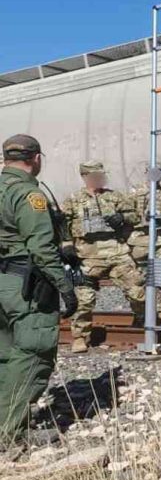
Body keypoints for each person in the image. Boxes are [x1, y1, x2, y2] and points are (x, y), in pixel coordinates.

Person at [0, 134, 78, 445]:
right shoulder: (29, 195)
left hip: (4, 282)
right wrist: (65, 285)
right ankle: (8, 432)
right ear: (36, 159)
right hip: (25, 283)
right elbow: (41, 248)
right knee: (34, 352)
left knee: (6, 354)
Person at [62, 160, 145, 353]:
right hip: (87, 256)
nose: (100, 179)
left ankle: (143, 323)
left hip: (116, 252)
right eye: (95, 175)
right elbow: (62, 225)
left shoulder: (115, 197)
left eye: (101, 175)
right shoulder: (73, 200)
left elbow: (135, 216)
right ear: (85, 176)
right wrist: (67, 246)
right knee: (84, 299)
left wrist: (122, 218)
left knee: (137, 289)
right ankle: (80, 337)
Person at [127, 163, 161, 322]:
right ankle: (140, 314)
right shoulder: (134, 193)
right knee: (137, 281)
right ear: (146, 172)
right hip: (139, 241)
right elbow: (125, 218)